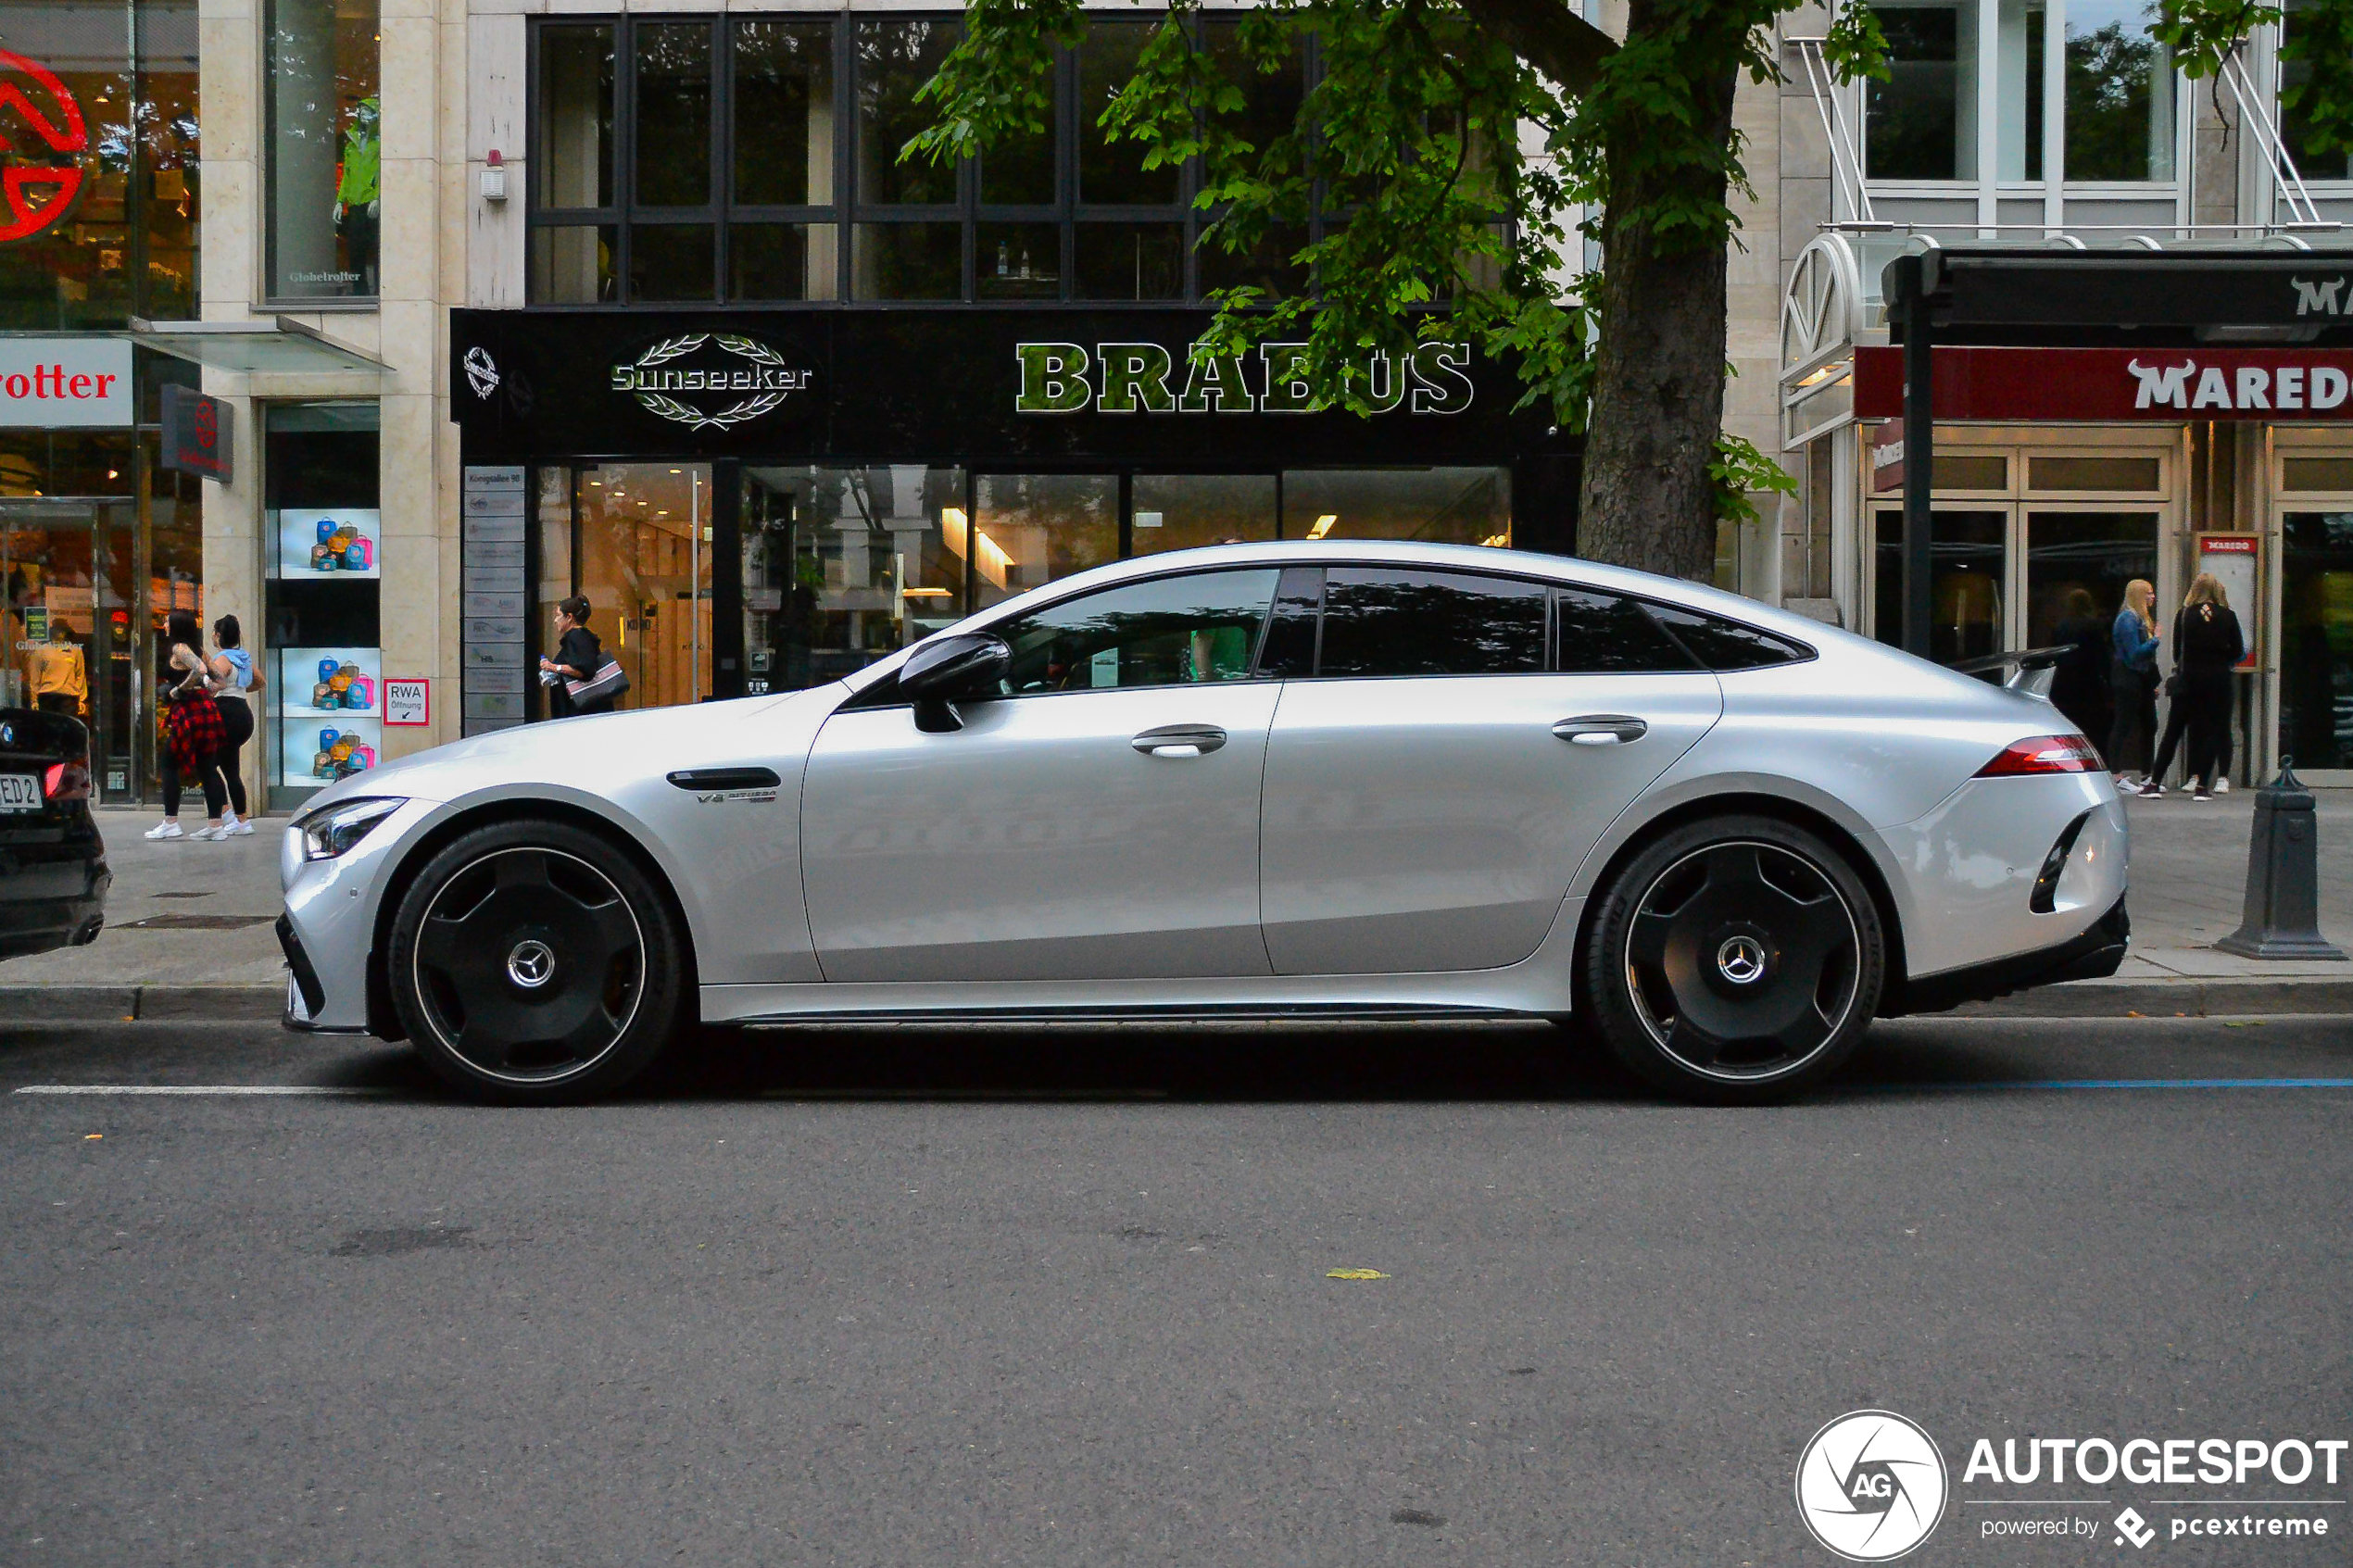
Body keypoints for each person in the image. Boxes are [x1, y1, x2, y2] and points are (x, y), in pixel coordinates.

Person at [2141, 573, 2245, 802]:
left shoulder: (2184, 614)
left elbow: (2178, 651)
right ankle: (2201, 786)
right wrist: (2219, 654)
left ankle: (2155, 783)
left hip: (2188, 681)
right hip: (2217, 680)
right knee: (2211, 730)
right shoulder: (2227, 616)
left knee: (2173, 731)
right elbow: (2238, 650)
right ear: (2217, 590)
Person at [147, 609, 229, 841]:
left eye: (166, 622)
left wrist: (179, 690)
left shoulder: (179, 648)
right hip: (205, 709)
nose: (164, 625)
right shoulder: (199, 649)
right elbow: (219, 679)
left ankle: (170, 822)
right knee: (207, 766)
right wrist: (206, 692)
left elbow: (201, 670)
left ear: (176, 625)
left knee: (168, 762)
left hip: (188, 711)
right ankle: (216, 825)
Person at [204, 614, 259, 835]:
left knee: (206, 764)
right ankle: (242, 820)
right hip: (243, 713)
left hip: (225, 715)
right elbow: (260, 681)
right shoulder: (243, 658)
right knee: (231, 769)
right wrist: (241, 691)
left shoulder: (222, 659)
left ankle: (222, 814)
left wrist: (205, 690)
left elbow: (214, 685)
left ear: (218, 636)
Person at [2106, 578, 2160, 791]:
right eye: (2148, 593)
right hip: (2127, 678)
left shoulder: (2141, 618)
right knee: (2123, 724)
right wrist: (2155, 640)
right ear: (2138, 595)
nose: (2152, 597)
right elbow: (2134, 653)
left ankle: (2147, 775)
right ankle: (2116, 776)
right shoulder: (2127, 619)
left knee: (2149, 724)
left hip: (2141, 678)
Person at [2047, 587, 2111, 757]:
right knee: (2094, 728)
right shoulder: (2092, 625)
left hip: (2064, 682)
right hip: (2088, 682)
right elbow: (2101, 655)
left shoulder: (2061, 626)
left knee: (2068, 725)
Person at [539, 596, 615, 716]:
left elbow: (584, 670)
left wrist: (554, 667)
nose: (555, 620)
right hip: (581, 711)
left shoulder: (577, 637)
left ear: (569, 617)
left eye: (558, 615)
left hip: (581, 712)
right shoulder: (578, 637)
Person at [26, 618, 88, 718]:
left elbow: (80, 675)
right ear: (51, 632)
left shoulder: (75, 651)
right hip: (47, 696)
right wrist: (34, 700)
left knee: (66, 729)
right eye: (57, 629)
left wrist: (81, 700)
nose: (60, 632)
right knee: (49, 728)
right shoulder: (41, 651)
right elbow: (35, 678)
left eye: (62, 630)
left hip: (68, 697)